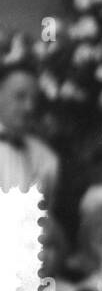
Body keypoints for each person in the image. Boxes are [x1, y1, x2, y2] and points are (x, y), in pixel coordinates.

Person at [0, 55, 60, 198]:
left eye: (34, 99)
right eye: (20, 96)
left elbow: (45, 215)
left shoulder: (46, 158)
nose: (29, 107)